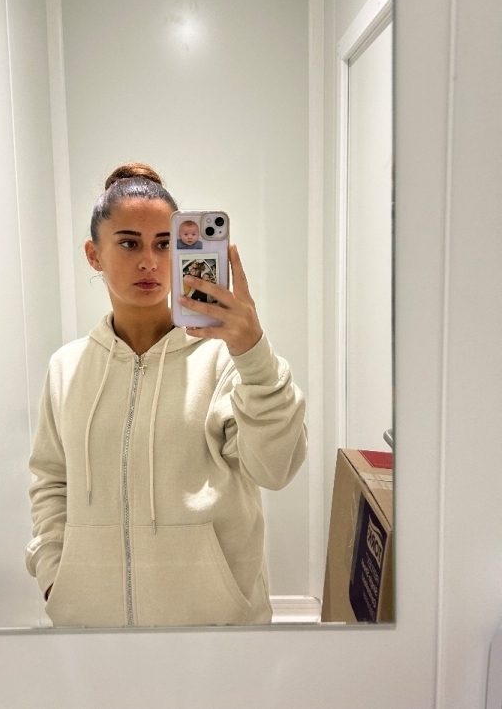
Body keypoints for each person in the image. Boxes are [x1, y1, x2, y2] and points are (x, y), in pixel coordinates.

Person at [25, 163, 307, 628]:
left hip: (215, 628)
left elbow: (275, 469)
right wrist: (57, 577)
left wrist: (254, 353)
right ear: (94, 255)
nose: (149, 262)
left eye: (164, 244)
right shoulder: (66, 368)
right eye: (129, 243)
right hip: (91, 627)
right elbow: (52, 482)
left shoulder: (225, 361)